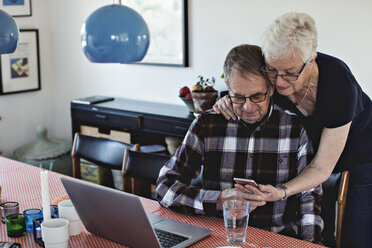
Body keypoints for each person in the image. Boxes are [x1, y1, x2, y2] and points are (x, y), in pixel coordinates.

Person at [213, 12, 372, 248]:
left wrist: (282, 191)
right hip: (312, 161)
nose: (279, 82)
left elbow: (321, 167)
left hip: (362, 157)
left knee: (355, 236)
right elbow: (246, 84)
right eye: (272, 70)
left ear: (312, 59)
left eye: (289, 72)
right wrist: (226, 99)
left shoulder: (339, 83)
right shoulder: (277, 72)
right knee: (321, 228)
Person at [156, 44, 323, 243]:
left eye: (257, 96)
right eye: (238, 97)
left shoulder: (295, 128)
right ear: (228, 90)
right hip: (217, 239)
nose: (248, 107)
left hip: (276, 239)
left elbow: (310, 197)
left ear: (270, 88)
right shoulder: (207, 124)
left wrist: (310, 244)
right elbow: (164, 188)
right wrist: (218, 200)